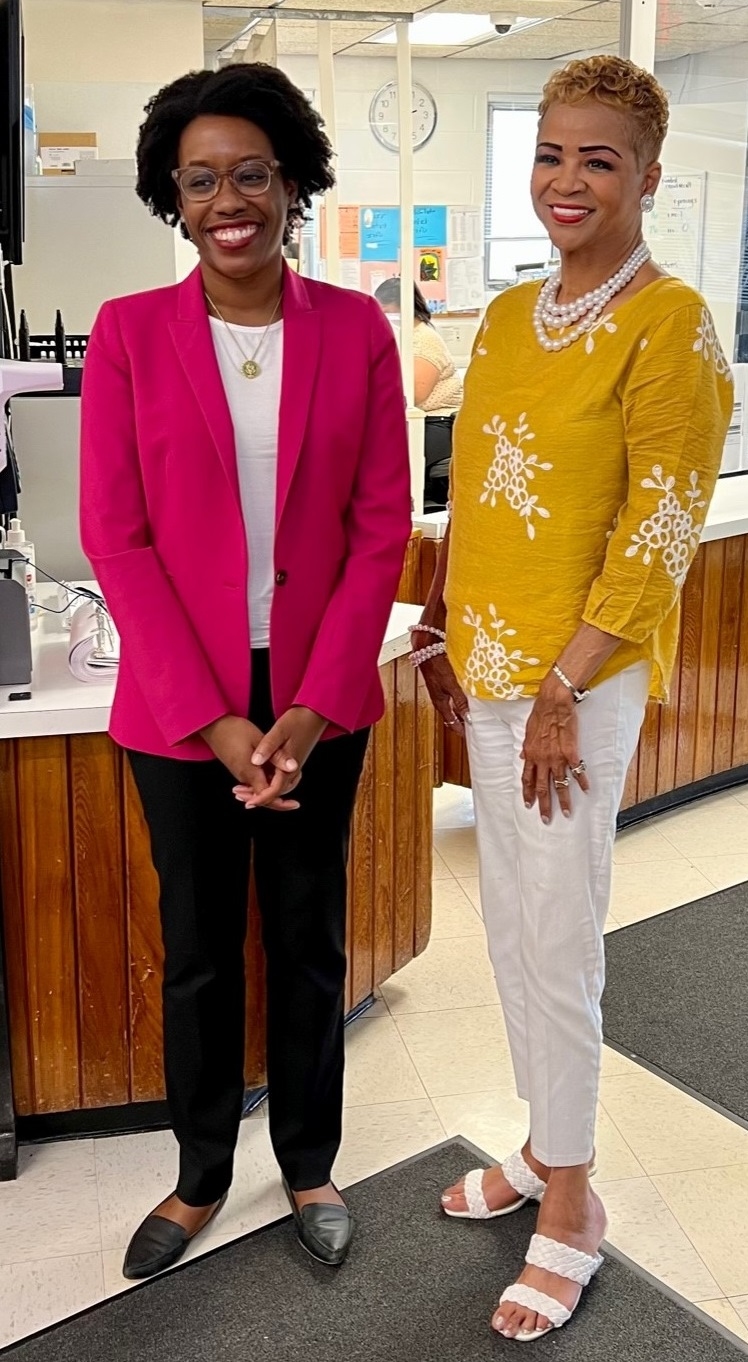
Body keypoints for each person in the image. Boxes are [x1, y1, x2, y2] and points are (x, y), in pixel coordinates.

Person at [412, 55, 733, 1342]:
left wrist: (554, 686)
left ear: (648, 177)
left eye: (597, 160)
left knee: (558, 940)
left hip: (576, 687)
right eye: (551, 154)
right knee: (507, 933)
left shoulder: (672, 325)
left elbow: (656, 532)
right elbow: (482, 496)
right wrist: (447, 625)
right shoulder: (500, 318)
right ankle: (548, 1148)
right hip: (491, 668)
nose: (566, 180)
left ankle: (577, 1205)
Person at [80, 63, 411, 1280]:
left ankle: (311, 1161)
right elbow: (118, 535)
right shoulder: (127, 333)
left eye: (253, 174)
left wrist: (313, 707)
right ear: (174, 196)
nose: (231, 199)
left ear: (292, 182)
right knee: (204, 946)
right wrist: (220, 721)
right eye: (202, 178)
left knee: (312, 937)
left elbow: (382, 526)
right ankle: (201, 1172)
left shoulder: (357, 327)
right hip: (181, 712)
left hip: (320, 696)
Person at [375, 278, 463, 507]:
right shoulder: (401, 337)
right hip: (417, 420)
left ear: (401, 308)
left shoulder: (424, 340)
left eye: (385, 310)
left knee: (385, 460)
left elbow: (415, 394)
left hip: (436, 422)